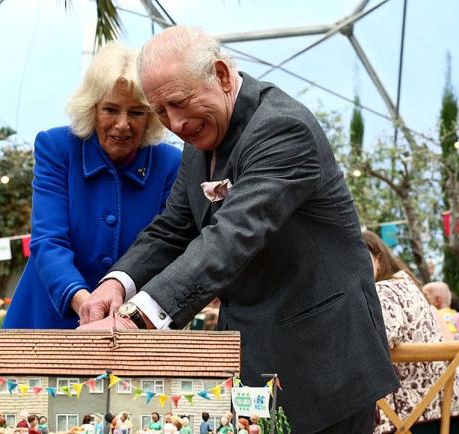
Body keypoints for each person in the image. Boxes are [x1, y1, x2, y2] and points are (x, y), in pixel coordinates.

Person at [78, 26, 397, 433]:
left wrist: (135, 320)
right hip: (255, 363)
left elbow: (230, 237)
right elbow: (173, 228)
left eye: (179, 102)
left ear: (222, 75)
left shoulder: (283, 128)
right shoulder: (200, 139)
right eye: (161, 112)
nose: (175, 123)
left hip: (323, 364)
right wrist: (116, 284)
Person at [2, 41, 180, 330]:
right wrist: (84, 301)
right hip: (46, 319)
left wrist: (127, 316)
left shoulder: (170, 164)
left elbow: (166, 250)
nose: (122, 124)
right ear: (91, 107)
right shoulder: (56, 148)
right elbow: (48, 241)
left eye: (137, 112)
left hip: (127, 326)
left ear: (151, 116)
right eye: (110, 109)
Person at [362, 231, 459, 434]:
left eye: (361, 258)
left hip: (410, 416)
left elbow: (375, 342)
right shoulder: (408, 286)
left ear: (379, 259)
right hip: (440, 411)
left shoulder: (384, 290)